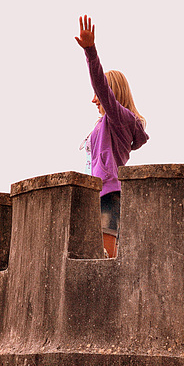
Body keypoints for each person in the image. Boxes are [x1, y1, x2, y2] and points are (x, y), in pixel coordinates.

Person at [75, 14, 149, 258]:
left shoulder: (119, 119)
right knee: (97, 258)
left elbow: (101, 86)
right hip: (98, 193)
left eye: (98, 94)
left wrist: (90, 51)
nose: (93, 99)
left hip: (109, 194)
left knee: (108, 258)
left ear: (111, 93)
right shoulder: (108, 124)